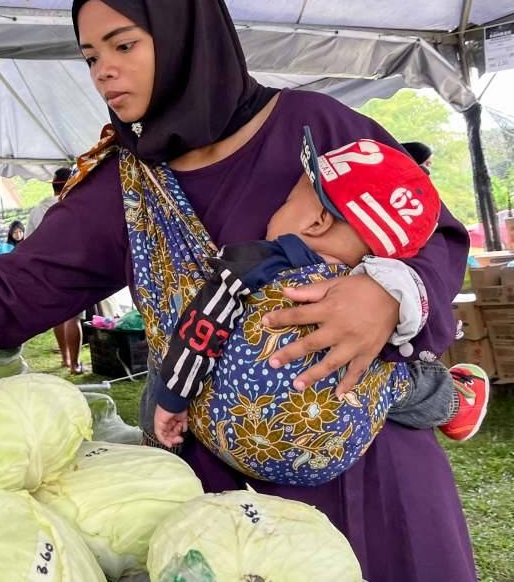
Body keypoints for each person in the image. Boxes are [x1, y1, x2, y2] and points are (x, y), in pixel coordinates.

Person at [0, 0, 475, 582]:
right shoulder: (125, 183)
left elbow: (430, 230)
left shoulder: (313, 127)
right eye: (91, 56)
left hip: (368, 461)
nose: (104, 72)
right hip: (229, 483)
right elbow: (22, 283)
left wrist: (385, 296)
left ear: (189, 36)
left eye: (124, 45)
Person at [152, 133, 489, 482]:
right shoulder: (381, 295)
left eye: (287, 201)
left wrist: (172, 398)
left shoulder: (259, 263)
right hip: (337, 451)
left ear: (315, 223)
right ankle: (454, 401)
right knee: (395, 372)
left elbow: (202, 329)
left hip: (243, 442)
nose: (277, 209)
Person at [26, 168, 84, 373]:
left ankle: (65, 358)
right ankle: (75, 364)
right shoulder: (75, 207)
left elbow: (28, 242)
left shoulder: (37, 210)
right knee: (73, 317)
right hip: (74, 267)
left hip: (47, 270)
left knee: (59, 316)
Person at [25, 168, 72, 235]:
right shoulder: (75, 208)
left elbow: (27, 240)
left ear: (53, 185)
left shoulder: (36, 211)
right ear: (70, 186)